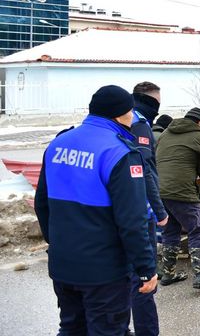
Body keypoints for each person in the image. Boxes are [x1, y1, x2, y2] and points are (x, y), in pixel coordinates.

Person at [35, 85, 157, 335]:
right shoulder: (119, 152)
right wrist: (146, 268)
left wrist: (59, 244)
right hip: (104, 272)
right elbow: (133, 220)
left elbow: (42, 205)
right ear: (118, 115)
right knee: (107, 330)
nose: (133, 117)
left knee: (71, 327)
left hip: (63, 264)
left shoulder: (58, 144)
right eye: (130, 111)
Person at [156, 107, 200, 290]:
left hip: (159, 191)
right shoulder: (199, 137)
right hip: (182, 191)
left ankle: (168, 273)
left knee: (171, 230)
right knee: (198, 230)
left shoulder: (165, 133)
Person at [129, 82, 169, 336]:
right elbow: (144, 171)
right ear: (153, 100)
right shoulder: (140, 123)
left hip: (119, 208)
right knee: (144, 278)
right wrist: (159, 210)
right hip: (139, 210)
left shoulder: (118, 119)